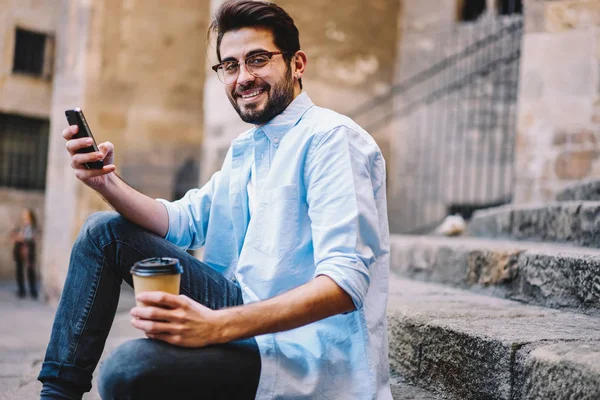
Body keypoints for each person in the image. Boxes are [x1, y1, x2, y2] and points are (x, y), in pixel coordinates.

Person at [38, 0, 391, 398]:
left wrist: (217, 326)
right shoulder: (247, 148)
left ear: (297, 64)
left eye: (258, 59)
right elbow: (181, 222)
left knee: (127, 370)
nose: (243, 77)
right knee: (103, 232)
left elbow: (344, 284)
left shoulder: (331, 139)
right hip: (243, 312)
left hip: (307, 349)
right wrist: (105, 183)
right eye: (230, 65)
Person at [11, 208, 38, 299]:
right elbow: (14, 236)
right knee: (19, 271)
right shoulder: (20, 226)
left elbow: (29, 237)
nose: (24, 216)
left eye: (26, 214)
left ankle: (33, 291)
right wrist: (18, 237)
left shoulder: (32, 226)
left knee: (30, 270)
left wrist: (19, 237)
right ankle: (21, 291)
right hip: (19, 250)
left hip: (29, 250)